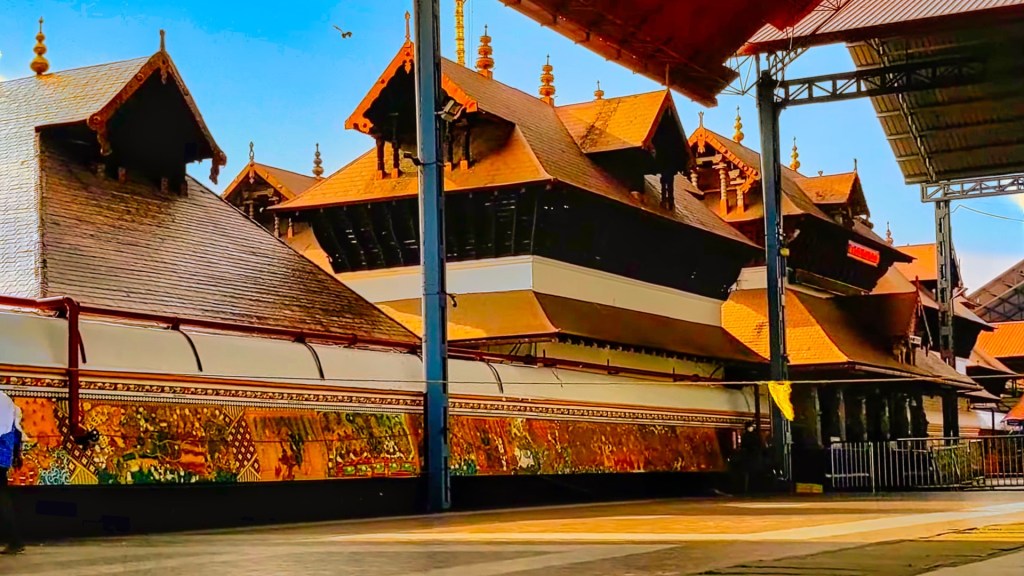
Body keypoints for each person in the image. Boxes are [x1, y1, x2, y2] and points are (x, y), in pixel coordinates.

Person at [0, 391, 24, 555]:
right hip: (4, 456)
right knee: (2, 497)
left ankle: (15, 540)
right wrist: (17, 454)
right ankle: (15, 540)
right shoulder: (7, 400)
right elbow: (16, 431)